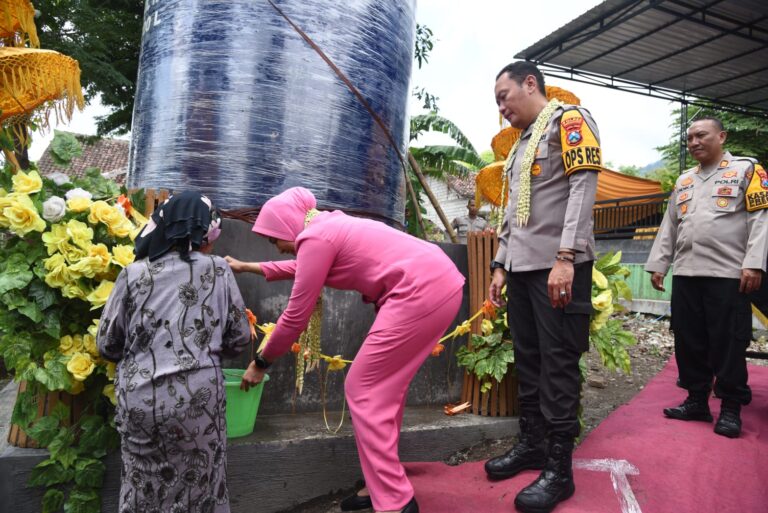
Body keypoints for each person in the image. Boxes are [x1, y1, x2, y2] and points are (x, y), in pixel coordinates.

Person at [225, 187, 464, 513]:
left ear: (286, 225)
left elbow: (295, 316)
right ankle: (380, 484)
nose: (278, 247)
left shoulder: (316, 237)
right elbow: (303, 268)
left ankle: (395, 500)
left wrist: (261, 361)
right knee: (384, 392)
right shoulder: (326, 227)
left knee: (363, 388)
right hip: (437, 283)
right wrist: (247, 266)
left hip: (419, 291)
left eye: (274, 239)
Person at [484, 61, 601, 513]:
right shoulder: (520, 145)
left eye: (504, 96)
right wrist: (500, 264)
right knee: (529, 360)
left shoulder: (569, 121)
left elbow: (583, 187)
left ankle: (559, 468)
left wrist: (566, 256)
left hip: (557, 267)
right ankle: (532, 444)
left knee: (558, 363)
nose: (501, 107)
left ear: (530, 83)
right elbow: (513, 211)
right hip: (522, 269)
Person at [97, 192, 251, 513]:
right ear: (202, 230)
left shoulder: (133, 274)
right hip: (200, 400)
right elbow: (239, 338)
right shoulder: (218, 270)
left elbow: (107, 344)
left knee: (142, 483)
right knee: (202, 482)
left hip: (141, 400)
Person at [645, 116, 768, 438]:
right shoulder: (684, 180)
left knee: (728, 342)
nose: (694, 142)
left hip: (728, 273)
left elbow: (760, 219)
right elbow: (670, 225)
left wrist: (754, 264)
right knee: (689, 340)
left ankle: (730, 407)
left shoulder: (747, 170)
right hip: (687, 272)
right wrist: (659, 264)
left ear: (722, 136)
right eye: (689, 138)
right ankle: (696, 400)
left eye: (701, 135)